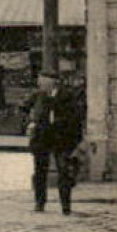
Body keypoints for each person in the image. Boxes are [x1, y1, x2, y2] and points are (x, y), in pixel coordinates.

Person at [27, 70, 83, 215]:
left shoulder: (68, 96)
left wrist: (76, 141)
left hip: (62, 139)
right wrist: (31, 122)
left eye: (42, 81)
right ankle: (40, 202)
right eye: (39, 81)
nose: (39, 83)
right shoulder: (38, 95)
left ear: (52, 82)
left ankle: (66, 206)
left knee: (64, 171)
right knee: (40, 171)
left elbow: (76, 119)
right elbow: (25, 109)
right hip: (42, 139)